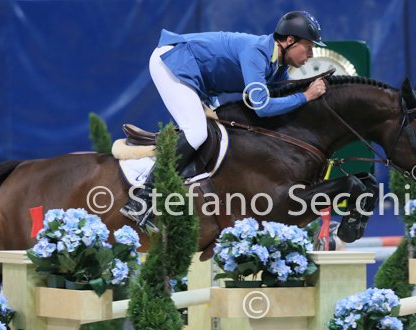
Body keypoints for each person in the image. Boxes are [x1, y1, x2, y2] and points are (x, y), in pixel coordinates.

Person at [121, 10, 328, 232]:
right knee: (196, 133)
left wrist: (310, 96)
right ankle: (142, 200)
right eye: (308, 47)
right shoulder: (257, 51)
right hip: (173, 61)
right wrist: (306, 96)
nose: (310, 55)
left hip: (200, 79)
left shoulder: (278, 67)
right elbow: (262, 107)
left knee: (220, 134)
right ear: (289, 40)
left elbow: (284, 100)